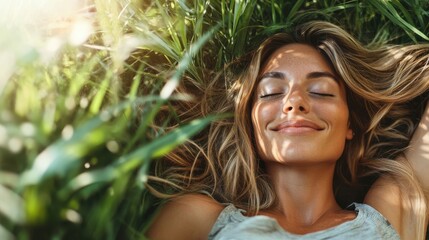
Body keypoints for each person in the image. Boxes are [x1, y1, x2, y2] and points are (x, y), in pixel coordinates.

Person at [145, 21, 429, 239]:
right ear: (251, 123)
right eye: (271, 92)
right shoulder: (196, 218)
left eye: (321, 91)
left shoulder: (390, 212)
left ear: (350, 125)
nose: (295, 102)